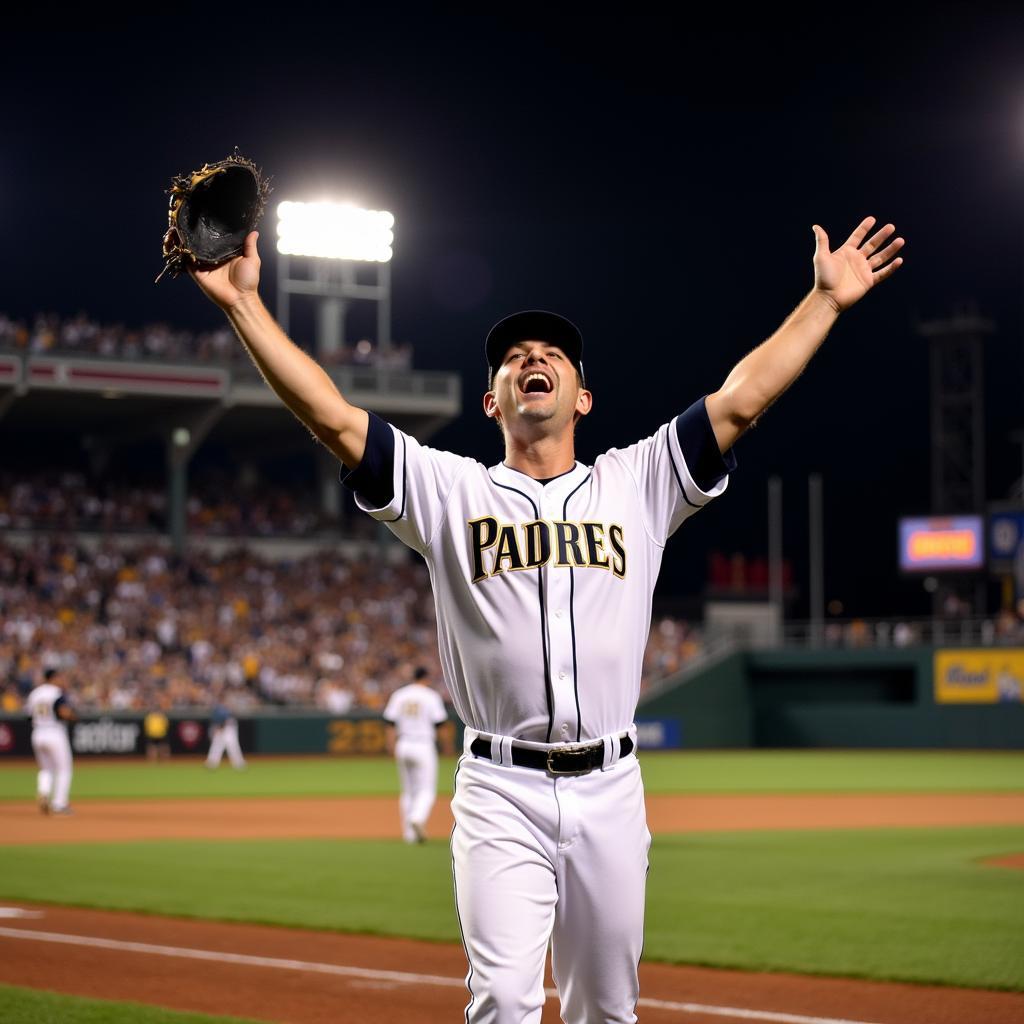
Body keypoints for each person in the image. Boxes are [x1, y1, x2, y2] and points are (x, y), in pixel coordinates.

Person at [189, 215, 903, 1023]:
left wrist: (825, 302)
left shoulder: (638, 482)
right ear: (492, 398)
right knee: (501, 1002)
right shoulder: (447, 490)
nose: (535, 360)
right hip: (499, 788)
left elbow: (741, 401)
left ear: (583, 397)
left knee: (607, 1009)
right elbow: (335, 418)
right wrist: (243, 307)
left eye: (553, 355)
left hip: (611, 787)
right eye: (516, 357)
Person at [383, 666, 449, 843]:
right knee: (426, 790)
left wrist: (390, 745)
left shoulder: (400, 694)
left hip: (403, 744)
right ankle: (417, 818)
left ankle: (409, 835)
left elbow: (389, 722)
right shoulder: (431, 696)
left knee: (408, 791)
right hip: (423, 744)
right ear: (426, 678)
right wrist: (448, 747)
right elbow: (440, 724)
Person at [24, 667, 77, 815]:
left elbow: (28, 715)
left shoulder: (34, 693)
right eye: (60, 677)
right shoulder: (57, 692)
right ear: (53, 678)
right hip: (54, 732)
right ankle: (59, 804)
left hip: (37, 732)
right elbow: (64, 712)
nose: (62, 680)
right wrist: (73, 716)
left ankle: (44, 791)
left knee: (45, 769)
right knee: (64, 769)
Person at [205, 696, 246, 770]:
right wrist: (218, 728)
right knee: (218, 746)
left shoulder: (224, 709)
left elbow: (228, 719)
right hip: (223, 729)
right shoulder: (220, 709)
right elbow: (219, 720)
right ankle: (212, 762)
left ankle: (238, 763)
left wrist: (218, 728)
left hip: (228, 729)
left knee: (231, 746)